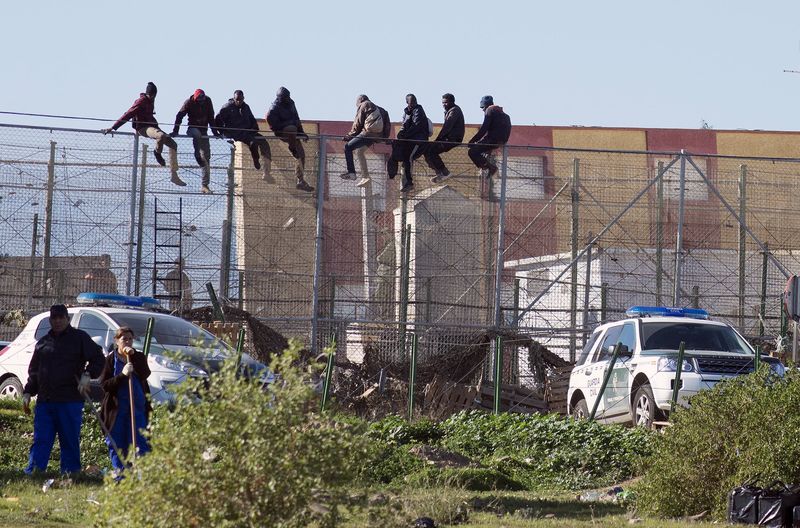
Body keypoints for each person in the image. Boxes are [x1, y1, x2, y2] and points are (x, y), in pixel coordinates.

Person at [22, 304, 105, 474]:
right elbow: (35, 371)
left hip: (70, 400)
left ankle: (71, 473)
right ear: (50, 320)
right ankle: (35, 471)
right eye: (54, 318)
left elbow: (98, 358)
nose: (58, 321)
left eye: (61, 318)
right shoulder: (43, 343)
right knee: (41, 440)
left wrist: (87, 375)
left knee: (69, 439)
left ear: (67, 319)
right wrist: (28, 391)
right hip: (45, 401)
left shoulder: (79, 338)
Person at [102, 82, 185, 187]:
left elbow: (150, 117)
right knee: (161, 136)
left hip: (153, 127)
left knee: (173, 144)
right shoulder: (141, 101)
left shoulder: (151, 101)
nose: (153, 97)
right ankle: (157, 153)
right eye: (152, 96)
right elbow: (127, 114)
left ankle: (174, 175)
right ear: (151, 94)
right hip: (142, 128)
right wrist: (114, 127)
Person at [100, 327, 152, 474]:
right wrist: (122, 375)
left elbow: (145, 374)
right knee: (117, 443)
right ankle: (121, 475)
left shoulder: (139, 357)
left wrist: (134, 359)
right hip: (116, 410)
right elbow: (105, 385)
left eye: (130, 338)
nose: (128, 341)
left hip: (137, 409)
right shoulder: (110, 359)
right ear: (117, 341)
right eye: (124, 339)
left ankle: (141, 474)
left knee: (139, 442)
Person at [215, 90, 274, 183]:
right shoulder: (227, 107)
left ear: (243, 98)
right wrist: (222, 131)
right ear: (234, 99)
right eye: (237, 99)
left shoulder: (246, 107)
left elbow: (252, 119)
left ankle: (260, 164)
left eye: (241, 99)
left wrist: (255, 129)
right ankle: (257, 160)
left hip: (246, 132)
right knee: (253, 142)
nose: (239, 101)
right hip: (234, 133)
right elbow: (217, 120)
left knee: (260, 142)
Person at [266, 87, 314, 192]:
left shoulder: (291, 103)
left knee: (301, 155)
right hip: (282, 132)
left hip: (293, 133)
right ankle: (292, 147)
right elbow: (273, 124)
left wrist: (302, 132)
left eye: (289, 96)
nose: (288, 99)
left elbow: (296, 118)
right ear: (280, 98)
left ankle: (300, 180)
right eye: (286, 97)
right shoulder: (273, 109)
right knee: (291, 128)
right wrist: (289, 123)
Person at [171, 89, 219, 194]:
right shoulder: (189, 102)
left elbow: (211, 117)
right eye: (199, 100)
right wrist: (175, 131)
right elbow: (179, 116)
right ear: (195, 98)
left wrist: (215, 132)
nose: (201, 102)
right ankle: (196, 153)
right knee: (196, 134)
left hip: (204, 131)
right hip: (192, 129)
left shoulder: (208, 101)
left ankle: (205, 185)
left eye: (203, 100)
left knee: (206, 157)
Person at [339, 94, 384, 187]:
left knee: (347, 147)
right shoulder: (376, 107)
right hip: (375, 136)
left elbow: (358, 123)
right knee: (359, 152)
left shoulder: (363, 105)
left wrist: (349, 136)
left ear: (360, 100)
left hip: (367, 133)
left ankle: (351, 173)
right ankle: (365, 177)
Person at [387, 94, 429, 194]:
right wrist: (400, 136)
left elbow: (416, 126)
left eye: (414, 101)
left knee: (408, 158)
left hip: (418, 140)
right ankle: (392, 175)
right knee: (396, 154)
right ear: (407, 103)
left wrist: (404, 136)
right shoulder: (406, 112)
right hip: (408, 140)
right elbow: (403, 126)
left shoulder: (418, 110)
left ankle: (409, 182)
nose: (413, 103)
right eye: (411, 102)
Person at [467, 95, 512, 178]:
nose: (483, 110)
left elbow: (484, 128)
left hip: (493, 140)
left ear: (485, 105)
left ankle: (490, 168)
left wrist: (472, 141)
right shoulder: (505, 115)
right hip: (500, 141)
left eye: (482, 107)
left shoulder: (490, 110)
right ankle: (486, 167)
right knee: (482, 151)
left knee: (472, 152)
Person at [425, 93, 465, 183]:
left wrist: (438, 140)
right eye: (443, 103)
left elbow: (447, 127)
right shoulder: (449, 110)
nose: (444, 105)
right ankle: (440, 172)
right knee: (427, 149)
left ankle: (445, 172)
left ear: (452, 102)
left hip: (452, 139)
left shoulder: (454, 111)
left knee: (431, 150)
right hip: (449, 138)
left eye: (446, 102)